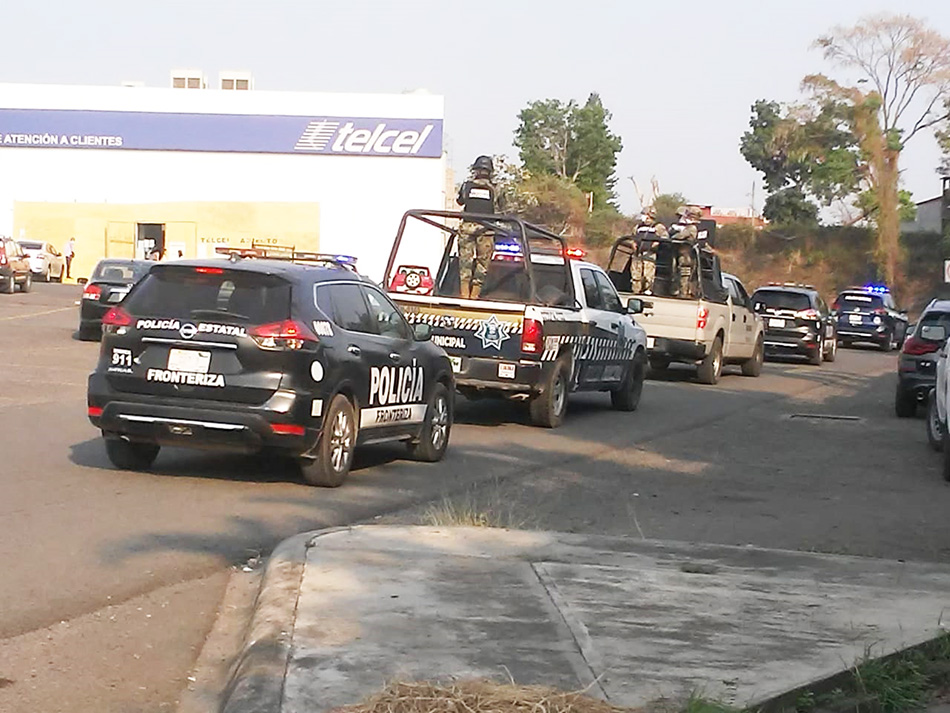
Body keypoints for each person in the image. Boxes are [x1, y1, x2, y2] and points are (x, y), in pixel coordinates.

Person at [456, 155, 504, 299]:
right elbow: (501, 206)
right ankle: (474, 295)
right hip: (486, 229)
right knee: (482, 265)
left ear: (475, 170)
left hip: (468, 228)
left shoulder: (467, 186)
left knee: (465, 263)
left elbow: (460, 201)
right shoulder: (495, 189)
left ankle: (465, 295)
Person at [631, 206, 668, 294]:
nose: (643, 217)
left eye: (645, 214)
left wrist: (656, 243)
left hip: (650, 254)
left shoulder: (658, 227)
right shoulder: (638, 226)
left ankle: (647, 290)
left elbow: (665, 237)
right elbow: (632, 236)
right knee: (636, 274)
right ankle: (636, 291)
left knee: (648, 275)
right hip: (638, 254)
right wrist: (633, 243)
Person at [670, 206, 702, 297]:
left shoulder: (692, 228)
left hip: (686, 256)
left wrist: (678, 231)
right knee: (676, 274)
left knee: (685, 275)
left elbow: (679, 236)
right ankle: (677, 291)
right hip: (679, 254)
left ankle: (684, 293)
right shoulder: (684, 227)